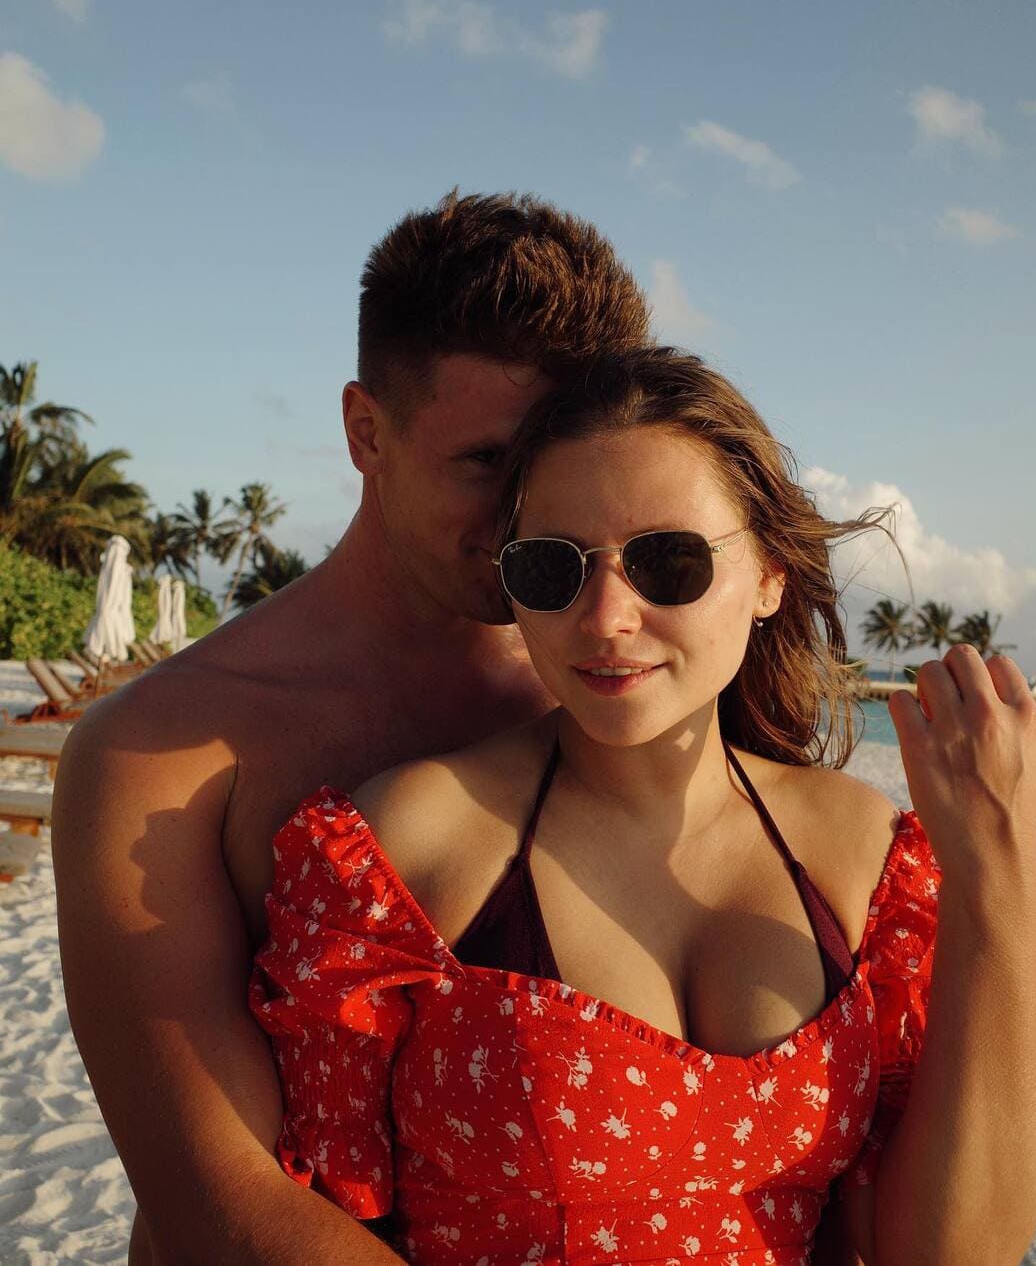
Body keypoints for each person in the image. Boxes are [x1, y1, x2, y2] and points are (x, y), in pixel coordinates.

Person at [251, 348, 1036, 1266]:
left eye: (668, 561)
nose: (606, 616)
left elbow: (948, 1251)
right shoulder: (406, 853)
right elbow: (314, 1216)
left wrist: (1002, 873)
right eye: (553, 568)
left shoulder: (863, 854)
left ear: (770, 574)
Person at [50, 190, 653, 1266]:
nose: (529, 513)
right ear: (366, 432)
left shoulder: (620, 694)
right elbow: (215, 1190)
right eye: (486, 464)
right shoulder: (166, 752)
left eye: (557, 463)